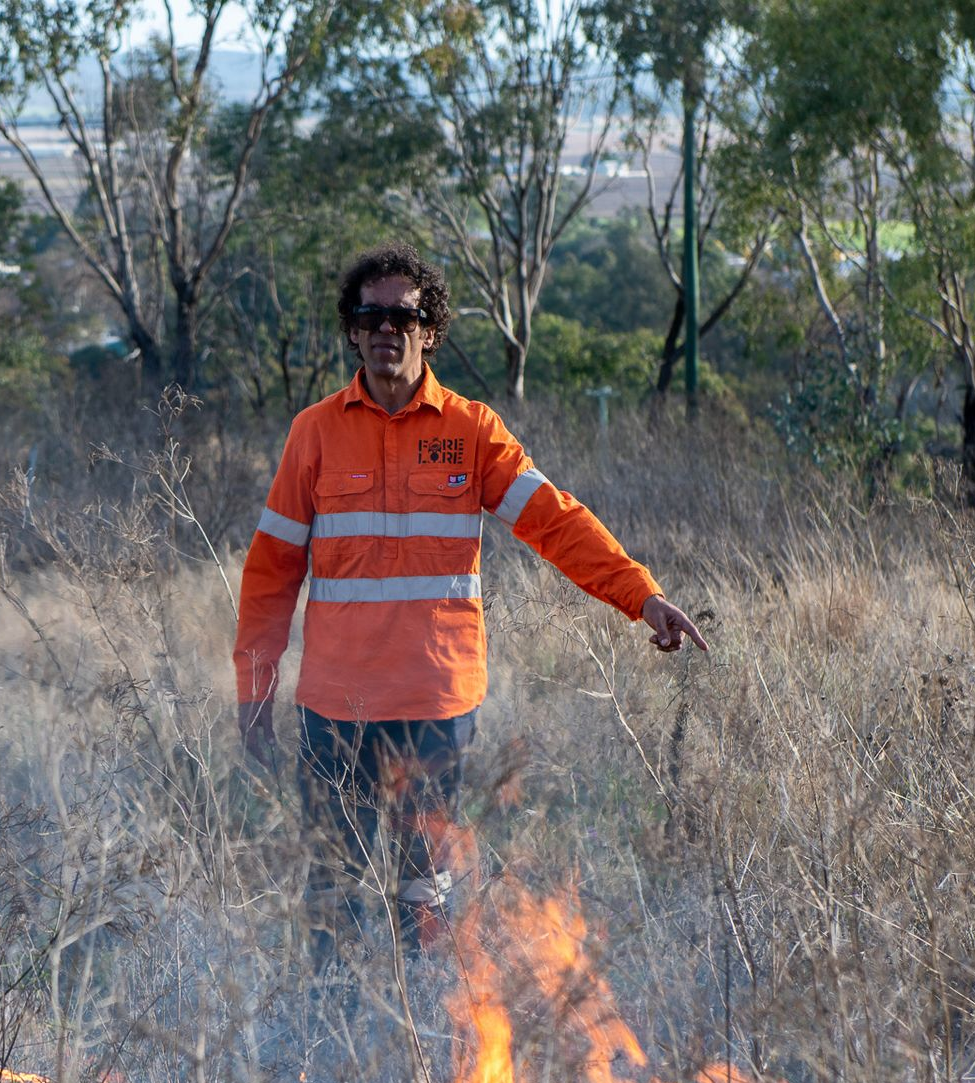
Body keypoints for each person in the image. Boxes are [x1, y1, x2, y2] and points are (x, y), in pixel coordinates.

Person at [233, 243, 707, 957]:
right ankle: (327, 1049)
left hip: (435, 707)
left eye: (404, 316)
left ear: (430, 330)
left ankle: (423, 1036)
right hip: (336, 708)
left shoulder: (471, 432)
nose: (387, 329)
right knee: (332, 886)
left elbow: (556, 521)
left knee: (424, 889)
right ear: (354, 330)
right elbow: (271, 575)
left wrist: (641, 596)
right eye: (371, 315)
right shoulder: (315, 434)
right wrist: (254, 695)